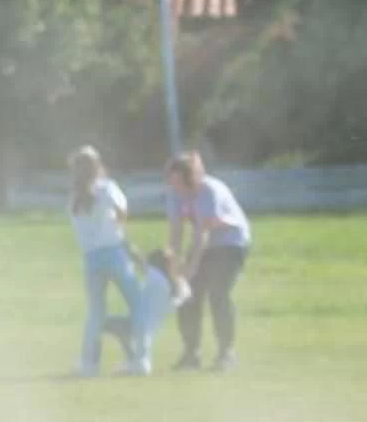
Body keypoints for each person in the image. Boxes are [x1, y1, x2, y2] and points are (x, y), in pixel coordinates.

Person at [67, 146, 159, 376]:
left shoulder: (74, 199)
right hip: (114, 253)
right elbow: (123, 212)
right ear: (98, 166)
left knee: (96, 312)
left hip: (91, 259)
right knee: (138, 304)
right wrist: (118, 228)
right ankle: (141, 359)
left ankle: (89, 363)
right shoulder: (107, 188)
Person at [164, 150, 253, 371]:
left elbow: (201, 233)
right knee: (187, 295)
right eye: (171, 181)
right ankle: (191, 354)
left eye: (177, 182)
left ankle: (226, 354)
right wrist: (173, 266)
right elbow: (176, 232)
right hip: (207, 244)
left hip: (231, 242)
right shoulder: (175, 194)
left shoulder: (209, 190)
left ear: (190, 178)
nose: (174, 187)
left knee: (218, 293)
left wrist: (192, 266)